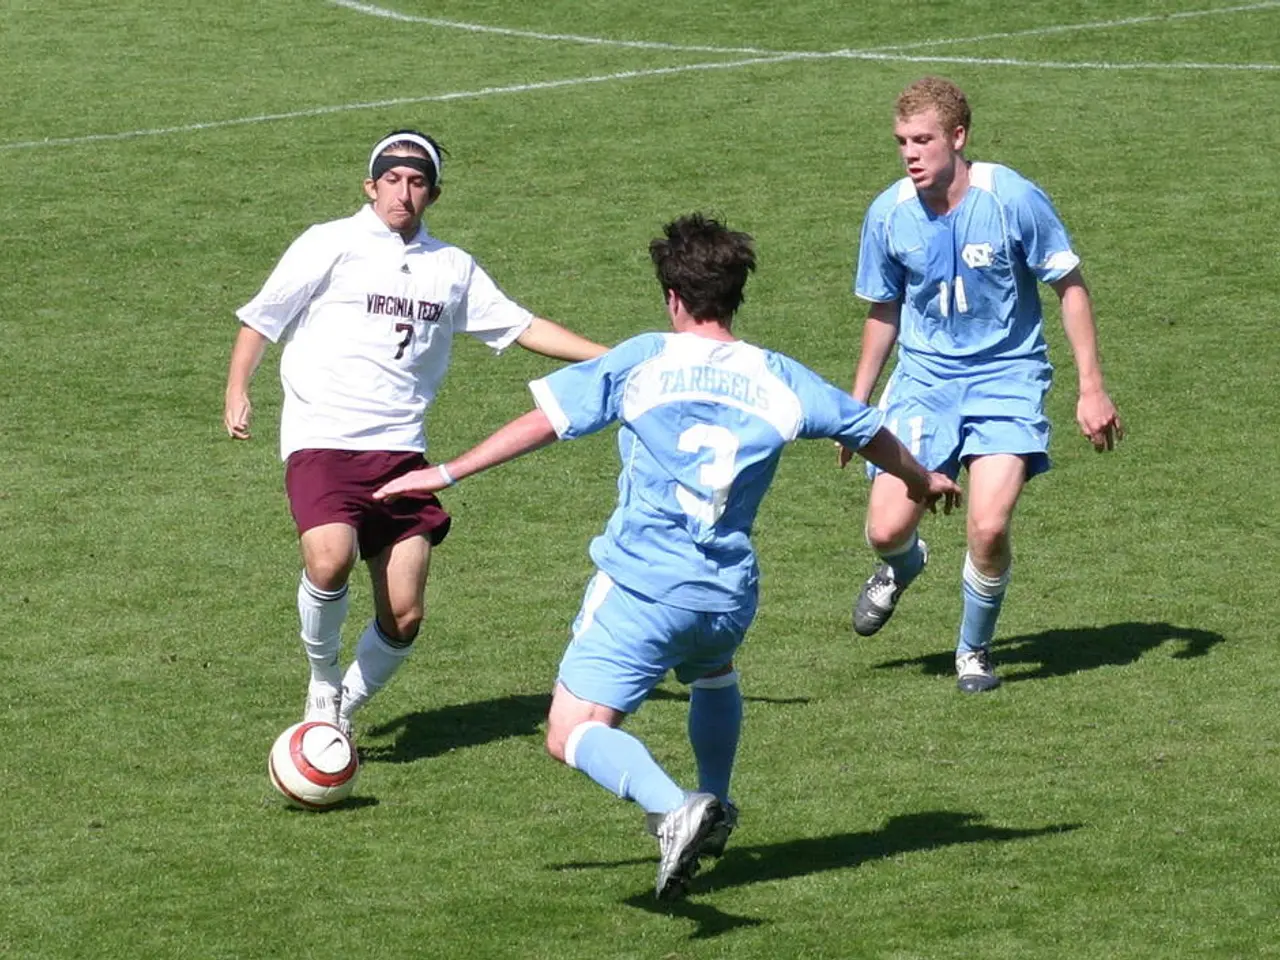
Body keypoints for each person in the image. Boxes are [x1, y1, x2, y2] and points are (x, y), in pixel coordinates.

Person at [374, 214, 962, 899]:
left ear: (673, 297)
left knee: (570, 731)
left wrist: (446, 472)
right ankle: (716, 802)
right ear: (735, 296)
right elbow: (868, 430)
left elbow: (544, 424)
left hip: (643, 589)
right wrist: (922, 480)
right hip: (726, 595)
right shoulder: (782, 377)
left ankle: (674, 808)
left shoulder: (644, 360)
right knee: (712, 671)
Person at [224, 128, 605, 737]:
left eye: (417, 182)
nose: (403, 193)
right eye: (392, 180)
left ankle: (343, 711)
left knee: (404, 615)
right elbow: (262, 319)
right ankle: (322, 683)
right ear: (370, 186)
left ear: (434, 194)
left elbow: (523, 326)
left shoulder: (451, 268)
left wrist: (612, 358)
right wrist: (237, 387)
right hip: (324, 438)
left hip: (402, 454)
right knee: (330, 560)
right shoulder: (330, 243)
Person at [839, 76, 1124, 693]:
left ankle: (973, 652)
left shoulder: (1011, 198)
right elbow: (884, 309)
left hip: (1007, 379)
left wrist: (1091, 387)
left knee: (989, 526)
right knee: (886, 530)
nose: (910, 154)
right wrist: (855, 406)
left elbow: (1070, 286)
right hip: (924, 382)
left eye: (923, 140)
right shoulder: (888, 213)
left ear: (958, 137)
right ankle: (902, 565)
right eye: (902, 142)